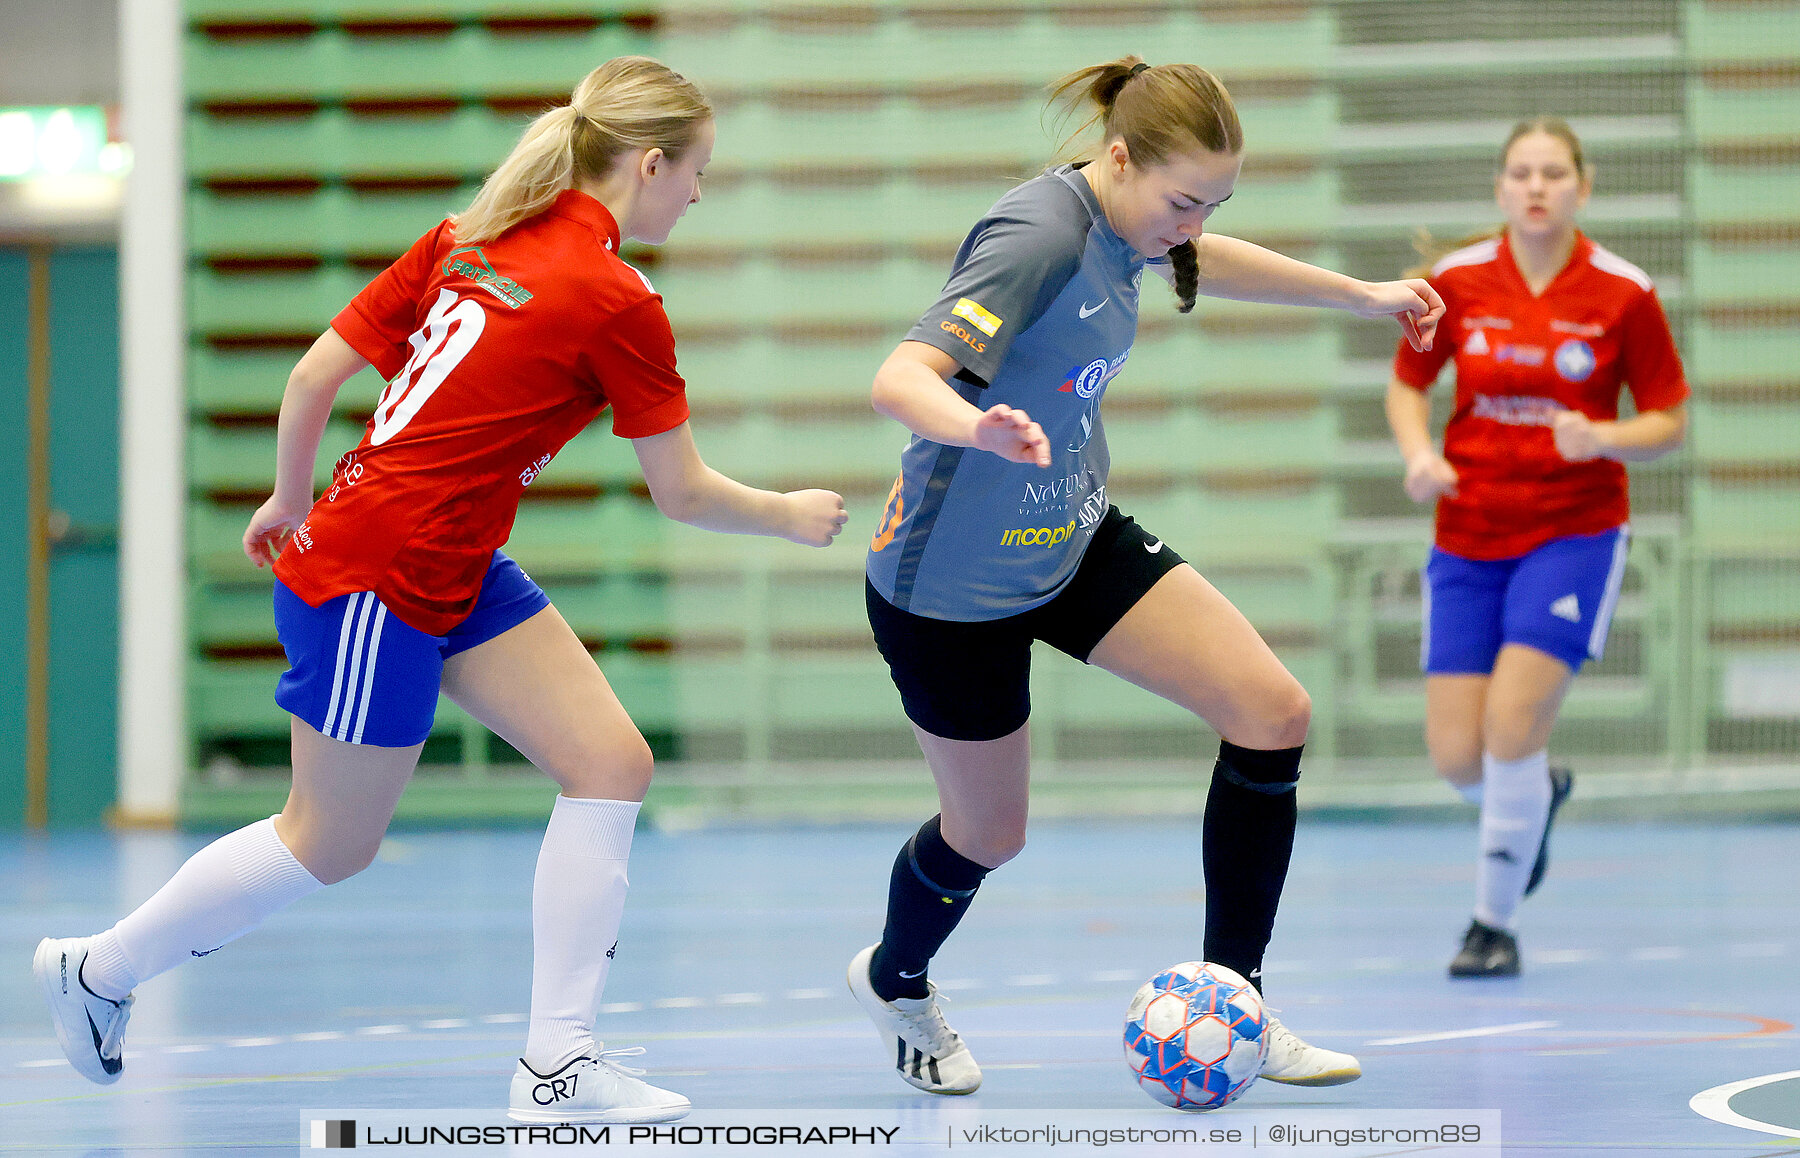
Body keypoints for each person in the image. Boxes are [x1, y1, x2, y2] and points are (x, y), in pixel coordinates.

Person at [33, 56, 847, 1123]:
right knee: (327, 841)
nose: (698, 194)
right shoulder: (617, 298)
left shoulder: (467, 235)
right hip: (382, 578)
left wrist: (288, 500)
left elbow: (313, 376)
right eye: (696, 172)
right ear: (648, 164)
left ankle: (556, 1067)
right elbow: (683, 494)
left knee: (610, 762)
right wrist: (790, 513)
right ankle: (97, 973)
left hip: (438, 558)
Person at [849, 56, 1444, 1096]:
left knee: (1272, 710)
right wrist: (975, 426)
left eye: (1212, 203)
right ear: (1116, 160)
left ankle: (1239, 1005)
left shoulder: (1139, 228)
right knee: (990, 833)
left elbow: (1209, 255)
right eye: (1182, 201)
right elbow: (899, 378)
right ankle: (895, 980)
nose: (1192, 224)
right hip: (947, 589)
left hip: (1070, 538)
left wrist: (1363, 297)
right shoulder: (1039, 238)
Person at [1385, 116, 1688, 978]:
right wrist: (1420, 455)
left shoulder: (1624, 293)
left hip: (1574, 534)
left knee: (1511, 733)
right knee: (1456, 757)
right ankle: (1539, 800)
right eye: (1521, 172)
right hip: (1469, 532)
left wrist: (1606, 438)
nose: (1537, 186)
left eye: (1554, 172)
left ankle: (1492, 926)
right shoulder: (1456, 282)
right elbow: (1408, 386)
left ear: (1581, 187)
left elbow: (1668, 420)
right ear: (1501, 188)